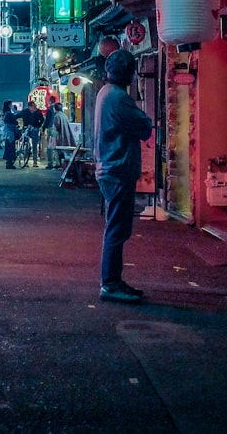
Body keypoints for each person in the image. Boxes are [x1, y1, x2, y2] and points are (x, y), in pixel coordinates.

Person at [93, 49, 154, 304]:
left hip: (109, 168)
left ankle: (114, 281)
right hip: (117, 169)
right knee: (117, 229)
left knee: (116, 227)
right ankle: (109, 283)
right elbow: (145, 126)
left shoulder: (104, 93)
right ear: (129, 72)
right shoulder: (119, 97)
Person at [46, 101, 71, 169]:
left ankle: (60, 165)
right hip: (65, 135)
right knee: (61, 152)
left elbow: (55, 127)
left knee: (59, 151)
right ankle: (61, 165)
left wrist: (52, 136)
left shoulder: (57, 116)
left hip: (59, 136)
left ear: (55, 109)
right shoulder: (64, 115)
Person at [22, 100, 43, 167]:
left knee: (34, 145)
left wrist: (38, 126)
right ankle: (26, 161)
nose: (34, 107)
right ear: (29, 107)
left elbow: (42, 120)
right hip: (27, 129)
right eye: (33, 106)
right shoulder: (25, 111)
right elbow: (18, 115)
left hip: (35, 129)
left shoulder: (38, 112)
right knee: (26, 145)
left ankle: (35, 162)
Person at [1, 101, 20, 169]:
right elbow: (13, 122)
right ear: (9, 105)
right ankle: (9, 163)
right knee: (11, 148)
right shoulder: (9, 114)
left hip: (8, 132)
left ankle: (9, 163)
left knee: (9, 147)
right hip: (10, 132)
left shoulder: (6, 113)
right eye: (11, 104)